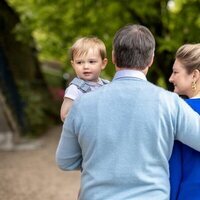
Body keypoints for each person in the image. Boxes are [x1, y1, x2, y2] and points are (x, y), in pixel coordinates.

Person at [56, 24, 200, 200]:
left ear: (114, 57)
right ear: (151, 59)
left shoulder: (81, 104)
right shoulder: (170, 103)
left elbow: (65, 161)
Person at [169, 43, 200, 200]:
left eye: (175, 72)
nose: (170, 78)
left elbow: (174, 169)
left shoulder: (179, 111)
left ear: (194, 75)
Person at [60, 37, 109, 122]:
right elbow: (64, 116)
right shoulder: (75, 89)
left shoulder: (107, 86)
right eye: (79, 62)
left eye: (91, 62)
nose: (86, 67)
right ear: (73, 65)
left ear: (103, 64)